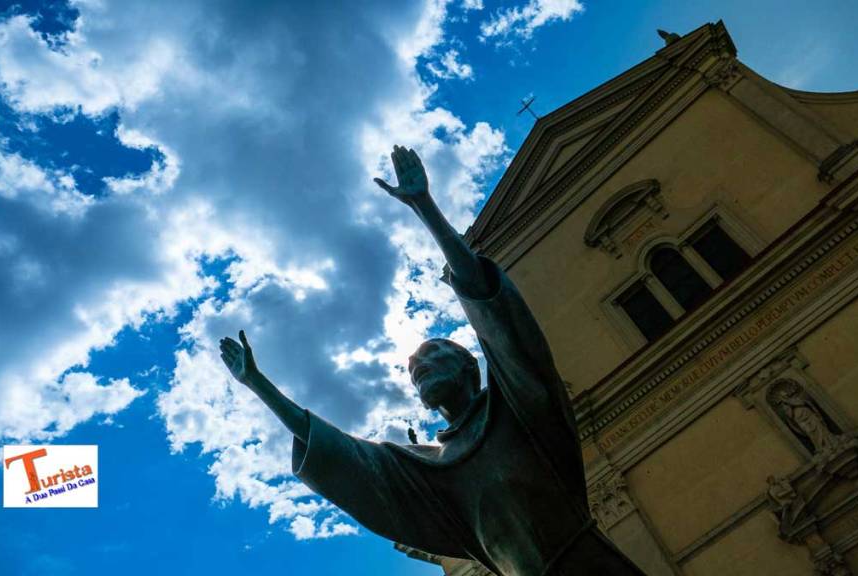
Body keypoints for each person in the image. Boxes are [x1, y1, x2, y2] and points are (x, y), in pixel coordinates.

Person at [219, 146, 643, 576]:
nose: (418, 363)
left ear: (469, 367)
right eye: (412, 365)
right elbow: (342, 453)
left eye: (433, 352)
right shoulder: (427, 470)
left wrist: (425, 207)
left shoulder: (521, 405)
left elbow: (492, 309)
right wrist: (256, 383)